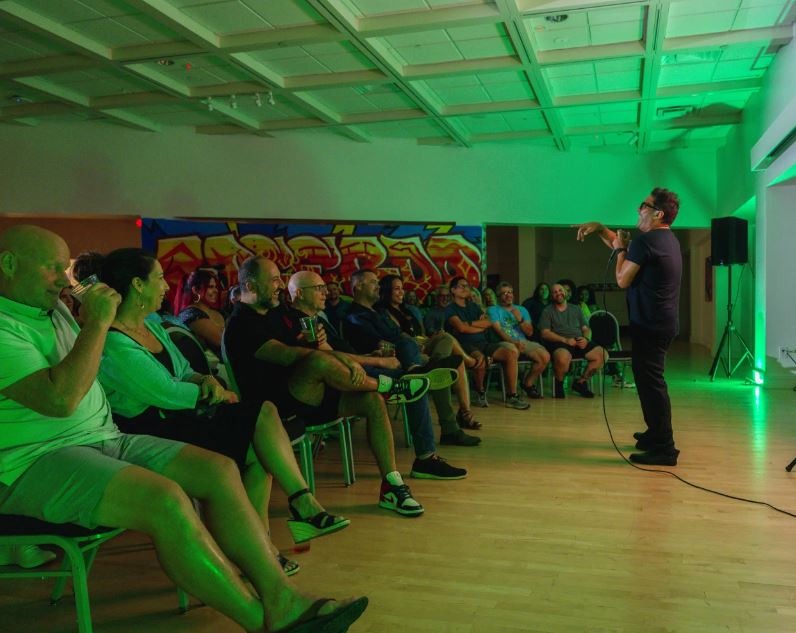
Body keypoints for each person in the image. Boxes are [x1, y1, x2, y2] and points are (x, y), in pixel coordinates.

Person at [0, 225, 367, 632]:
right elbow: (61, 399)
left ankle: (281, 597)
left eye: (65, 269)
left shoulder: (53, 309)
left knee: (217, 470)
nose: (63, 279)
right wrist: (98, 325)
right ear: (9, 264)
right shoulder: (4, 327)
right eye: (53, 268)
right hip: (32, 461)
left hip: (102, 437)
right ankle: (268, 624)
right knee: (165, 499)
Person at [96, 248, 349, 569]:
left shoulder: (151, 326)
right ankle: (287, 522)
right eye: (159, 278)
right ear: (137, 285)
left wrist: (205, 379)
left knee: (262, 430)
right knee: (257, 440)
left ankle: (271, 537)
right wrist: (214, 394)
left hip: (188, 415)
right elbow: (166, 393)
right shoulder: (114, 341)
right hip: (155, 431)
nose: (166, 286)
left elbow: (184, 370)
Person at [224, 256, 434, 517]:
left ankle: (392, 486)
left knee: (372, 401)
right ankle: (390, 386)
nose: (280, 285)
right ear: (251, 286)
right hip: (274, 408)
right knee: (317, 360)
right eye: (275, 280)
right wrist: (323, 354)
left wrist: (341, 359)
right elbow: (287, 355)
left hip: (306, 394)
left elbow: (309, 347)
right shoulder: (240, 323)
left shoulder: (276, 313)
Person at [575, 187, 682, 466]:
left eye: (643, 205)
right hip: (660, 323)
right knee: (648, 382)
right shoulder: (665, 239)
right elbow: (620, 245)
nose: (638, 209)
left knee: (652, 384)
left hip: (651, 325)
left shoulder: (647, 241)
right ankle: (654, 434)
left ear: (658, 214)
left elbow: (622, 278)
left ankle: (665, 447)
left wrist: (621, 248)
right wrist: (601, 229)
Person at [345, 271, 481, 441]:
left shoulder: (377, 313)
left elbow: (399, 334)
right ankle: (450, 429)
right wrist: (401, 346)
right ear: (358, 286)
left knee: (444, 343)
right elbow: (378, 344)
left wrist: (416, 341)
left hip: (408, 353)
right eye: (373, 282)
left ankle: (435, 365)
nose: (378, 286)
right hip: (392, 360)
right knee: (440, 368)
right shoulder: (356, 315)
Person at [445, 276, 530, 410]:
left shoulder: (473, 306)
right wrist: (477, 326)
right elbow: (461, 328)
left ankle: (511, 396)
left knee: (511, 353)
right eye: (462, 286)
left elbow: (488, 322)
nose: (466, 288)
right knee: (481, 359)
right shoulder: (450, 309)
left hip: (484, 343)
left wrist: (469, 324)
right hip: (465, 345)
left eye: (467, 286)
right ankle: (480, 393)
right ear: (453, 290)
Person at [538, 284, 605, 399]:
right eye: (555, 292)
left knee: (602, 355)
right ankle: (559, 383)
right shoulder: (547, 311)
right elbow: (545, 333)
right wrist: (565, 340)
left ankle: (580, 383)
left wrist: (586, 339)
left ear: (565, 292)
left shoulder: (576, 309)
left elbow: (586, 329)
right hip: (559, 341)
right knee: (562, 358)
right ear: (552, 296)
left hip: (578, 340)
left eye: (560, 290)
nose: (558, 293)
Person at [486, 282, 550, 400]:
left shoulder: (521, 309)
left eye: (510, 292)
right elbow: (499, 331)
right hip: (503, 342)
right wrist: (513, 342)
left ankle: (527, 384)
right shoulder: (493, 310)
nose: (508, 295)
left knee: (545, 357)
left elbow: (529, 332)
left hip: (522, 341)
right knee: (513, 351)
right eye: (504, 293)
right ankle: (512, 393)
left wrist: (519, 319)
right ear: (498, 296)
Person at [177, 269, 226, 354]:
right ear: (195, 290)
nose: (216, 290)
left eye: (216, 287)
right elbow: (221, 339)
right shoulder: (190, 314)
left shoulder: (217, 311)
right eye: (210, 287)